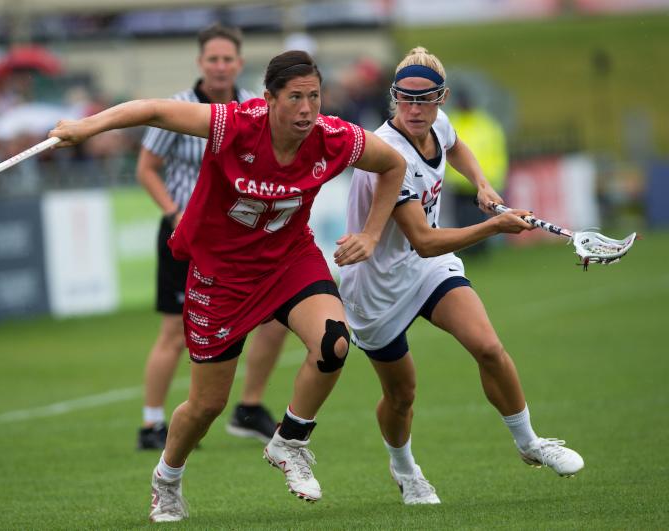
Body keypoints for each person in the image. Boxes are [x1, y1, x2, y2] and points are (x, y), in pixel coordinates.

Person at [49, 50, 407, 523]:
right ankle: (167, 478)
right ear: (269, 99)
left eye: (314, 97)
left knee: (334, 343)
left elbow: (393, 165)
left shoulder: (333, 136)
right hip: (222, 276)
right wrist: (85, 127)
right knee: (206, 405)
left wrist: (372, 234)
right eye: (295, 98)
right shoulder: (233, 124)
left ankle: (290, 441)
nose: (306, 109)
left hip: (289, 262)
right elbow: (153, 110)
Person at [339, 46, 584, 506]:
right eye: (404, 100)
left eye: (425, 100)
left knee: (488, 346)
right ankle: (405, 468)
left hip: (427, 269)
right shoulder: (388, 152)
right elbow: (424, 239)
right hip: (376, 284)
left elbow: (455, 146)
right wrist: (495, 225)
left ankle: (530, 443)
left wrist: (483, 184)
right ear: (393, 97)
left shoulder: (437, 124)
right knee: (401, 394)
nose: (414, 110)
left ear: (441, 98)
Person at [135, 23, 285, 450]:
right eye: (212, 59)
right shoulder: (178, 108)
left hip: (239, 240)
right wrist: (173, 212)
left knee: (277, 318)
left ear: (239, 63)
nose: (220, 66)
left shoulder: (254, 108)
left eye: (227, 59)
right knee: (174, 332)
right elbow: (146, 168)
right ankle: (151, 425)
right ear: (200, 63)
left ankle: (249, 406)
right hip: (186, 237)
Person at [443, 86, 509, 255]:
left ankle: (479, 248)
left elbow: (497, 152)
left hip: (481, 182)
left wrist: (494, 178)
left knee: (478, 218)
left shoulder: (485, 124)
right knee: (462, 218)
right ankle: (467, 248)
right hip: (458, 183)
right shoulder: (452, 122)